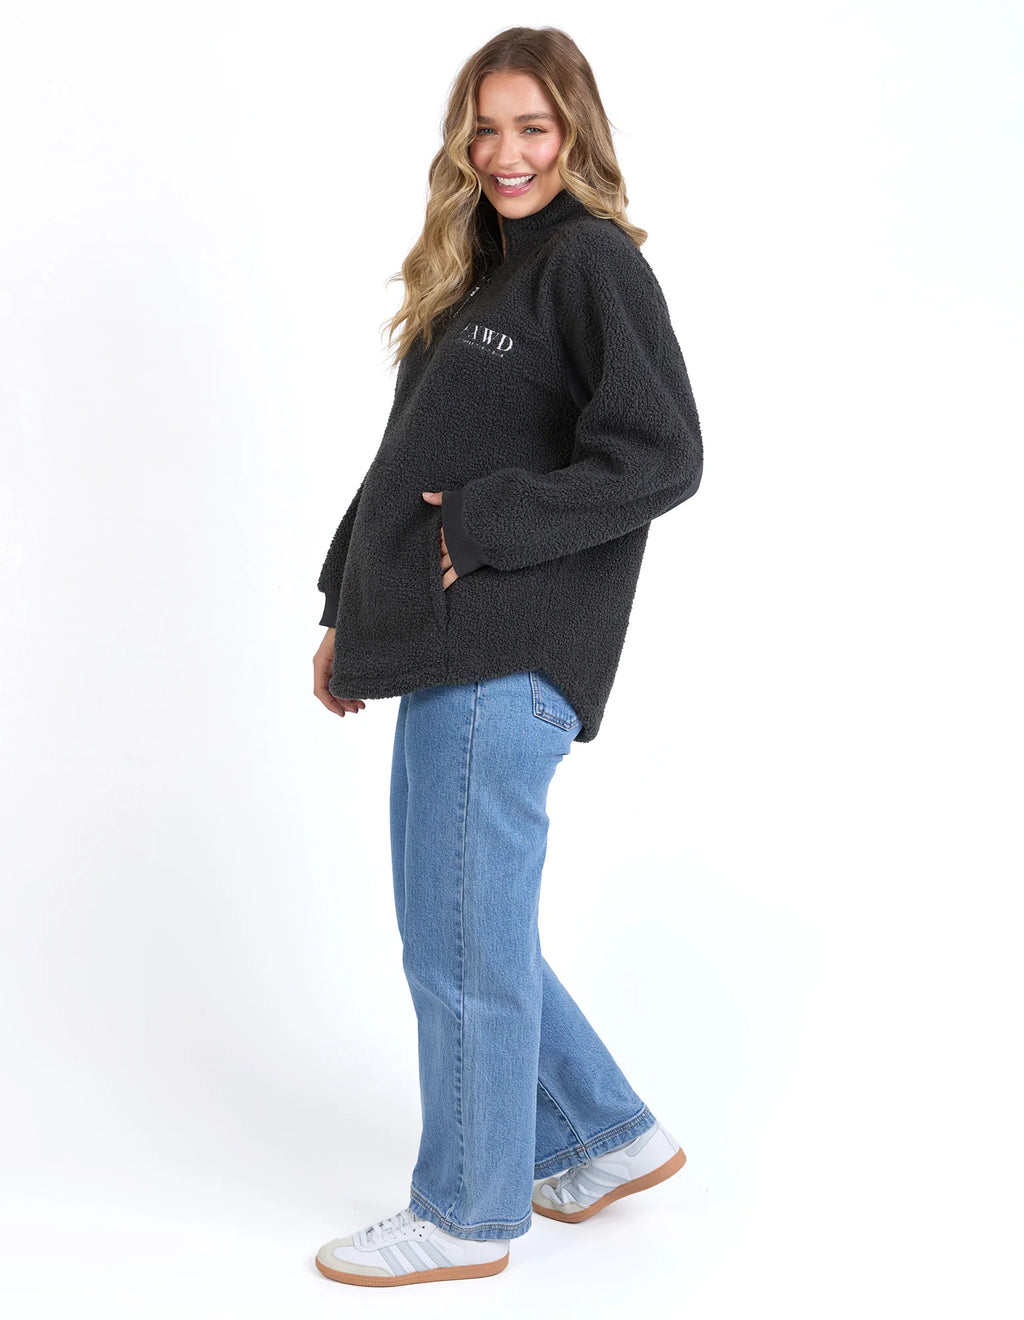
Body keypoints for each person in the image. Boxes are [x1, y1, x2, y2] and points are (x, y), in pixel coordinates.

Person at [311, 26, 702, 1288]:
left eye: (532, 126)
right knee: (460, 928)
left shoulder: (589, 261)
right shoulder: (478, 277)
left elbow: (661, 453)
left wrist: (482, 525)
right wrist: (345, 610)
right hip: (443, 652)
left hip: (507, 653)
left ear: (575, 132)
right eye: (484, 129)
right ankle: (600, 1136)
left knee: (459, 942)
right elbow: (401, 470)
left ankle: (465, 1215)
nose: (505, 153)